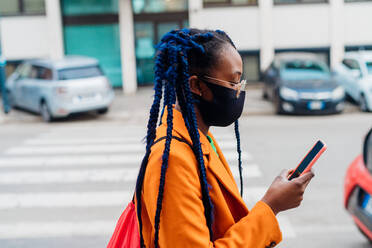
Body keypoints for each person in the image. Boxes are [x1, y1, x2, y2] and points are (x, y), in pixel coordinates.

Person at [134, 28, 314, 248]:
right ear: (196, 85)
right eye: (232, 83)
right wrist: (271, 206)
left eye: (241, 83)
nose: (238, 92)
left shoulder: (200, 138)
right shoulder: (172, 159)